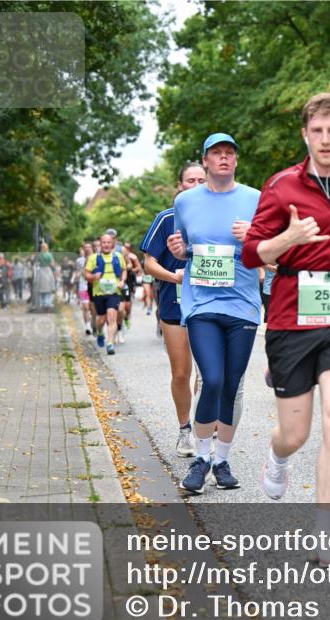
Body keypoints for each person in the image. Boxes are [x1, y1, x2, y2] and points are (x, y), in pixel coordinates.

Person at [242, 93, 330, 564]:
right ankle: (278, 455)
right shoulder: (282, 187)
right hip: (290, 317)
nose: (326, 139)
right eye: (317, 131)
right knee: (296, 432)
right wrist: (291, 237)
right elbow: (252, 253)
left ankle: (326, 534)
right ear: (306, 135)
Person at [167, 134, 260, 494]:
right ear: (205, 161)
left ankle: (221, 459)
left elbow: (271, 250)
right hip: (202, 303)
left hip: (243, 303)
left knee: (232, 385)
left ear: (236, 161)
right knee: (214, 379)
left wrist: (253, 236)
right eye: (216, 153)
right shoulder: (185, 201)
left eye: (229, 154)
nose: (223, 158)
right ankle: (200, 457)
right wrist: (179, 251)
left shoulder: (254, 199)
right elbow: (184, 248)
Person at [142, 161, 207, 458]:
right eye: (190, 180)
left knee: (208, 374)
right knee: (181, 373)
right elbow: (149, 263)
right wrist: (174, 276)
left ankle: (207, 427)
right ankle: (185, 430)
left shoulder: (217, 218)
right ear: (180, 186)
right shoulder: (166, 219)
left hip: (208, 303)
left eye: (201, 180)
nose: (195, 185)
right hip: (175, 303)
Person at [83, 234, 127, 355]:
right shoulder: (93, 258)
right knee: (101, 320)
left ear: (112, 244)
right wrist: (92, 277)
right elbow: (86, 274)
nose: (106, 245)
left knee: (112, 317)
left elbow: (124, 270)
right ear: (100, 244)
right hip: (99, 292)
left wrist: (122, 281)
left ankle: (110, 343)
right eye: (104, 242)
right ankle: (100, 332)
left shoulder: (118, 256)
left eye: (109, 242)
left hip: (114, 292)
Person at [76, 243, 93, 335]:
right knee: (85, 307)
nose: (87, 249)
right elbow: (79, 272)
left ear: (91, 248)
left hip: (93, 285)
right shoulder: (79, 260)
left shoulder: (96, 258)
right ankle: (87, 325)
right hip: (83, 285)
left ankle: (92, 321)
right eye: (85, 247)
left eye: (89, 247)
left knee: (92, 307)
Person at [35, 242, 57, 309]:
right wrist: (54, 269)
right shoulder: (49, 255)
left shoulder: (39, 255)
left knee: (41, 288)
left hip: (41, 271)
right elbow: (52, 264)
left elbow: (36, 263)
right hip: (48, 271)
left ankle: (41, 303)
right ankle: (47, 303)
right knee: (48, 287)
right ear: (47, 248)